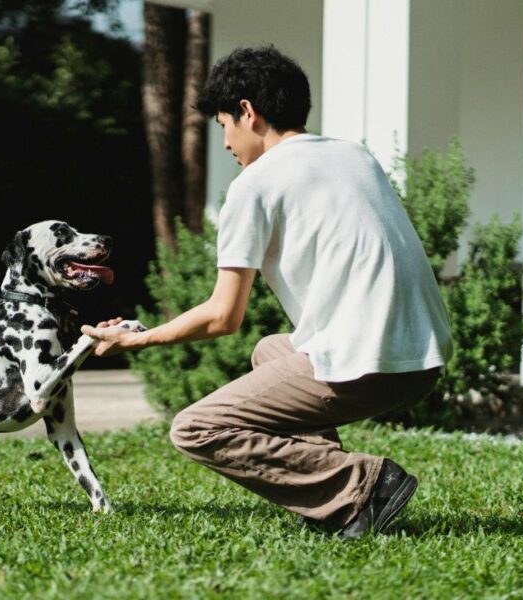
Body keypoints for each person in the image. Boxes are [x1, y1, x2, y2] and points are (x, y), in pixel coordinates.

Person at [82, 46, 452, 538]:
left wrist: (138, 339)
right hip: (423, 359)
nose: (226, 143)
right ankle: (341, 504)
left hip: (372, 368)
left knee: (195, 428)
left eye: (224, 125)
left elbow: (223, 316)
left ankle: (361, 486)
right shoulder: (354, 155)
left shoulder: (254, 184)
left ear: (248, 111)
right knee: (271, 350)